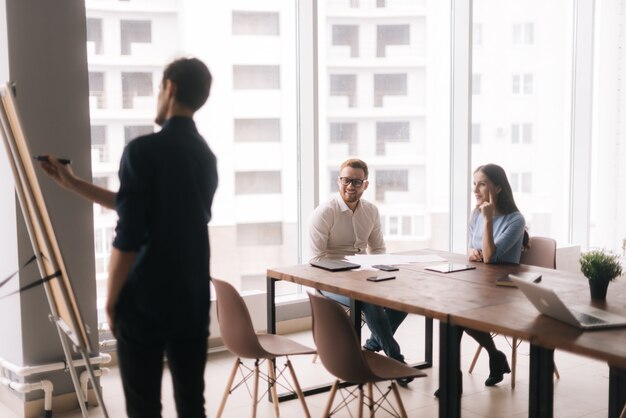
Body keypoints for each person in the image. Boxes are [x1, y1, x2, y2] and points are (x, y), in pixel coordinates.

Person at [39, 57, 218, 418]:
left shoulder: (143, 151)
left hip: (146, 301)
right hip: (192, 297)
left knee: (142, 407)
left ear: (169, 88)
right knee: (191, 405)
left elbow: (130, 233)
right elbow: (145, 208)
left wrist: (111, 299)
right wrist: (72, 183)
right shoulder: (205, 156)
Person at [309, 158, 412, 386]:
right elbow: (316, 260)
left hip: (363, 275)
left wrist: (378, 270)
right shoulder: (324, 212)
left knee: (404, 298)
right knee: (370, 301)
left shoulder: (371, 211)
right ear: (339, 181)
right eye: (346, 180)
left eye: (357, 182)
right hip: (330, 281)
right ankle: (396, 359)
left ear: (365, 185)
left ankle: (373, 346)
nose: (350, 186)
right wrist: (350, 274)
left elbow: (377, 249)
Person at [465, 164, 527, 385]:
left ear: (498, 188)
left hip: (505, 289)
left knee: (458, 314)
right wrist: (472, 252)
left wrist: (489, 219)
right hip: (480, 282)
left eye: (481, 184)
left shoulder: (516, 220)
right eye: (474, 184)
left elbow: (490, 257)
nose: (475, 190)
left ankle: (491, 357)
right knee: (452, 313)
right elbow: (476, 248)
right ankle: (494, 355)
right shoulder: (476, 213)